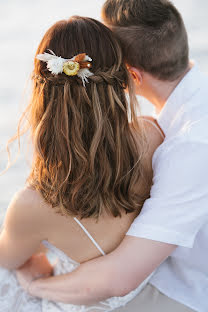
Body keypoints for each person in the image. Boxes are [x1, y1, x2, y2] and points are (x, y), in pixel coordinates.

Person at [17, 1, 208, 312]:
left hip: (186, 291)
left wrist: (37, 286)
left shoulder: (190, 146)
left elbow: (119, 279)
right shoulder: (176, 117)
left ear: (130, 75)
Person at [0, 16, 164, 311]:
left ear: (42, 93)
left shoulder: (34, 202)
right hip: (146, 282)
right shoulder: (151, 137)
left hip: (80, 300)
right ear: (123, 81)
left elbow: (8, 259)